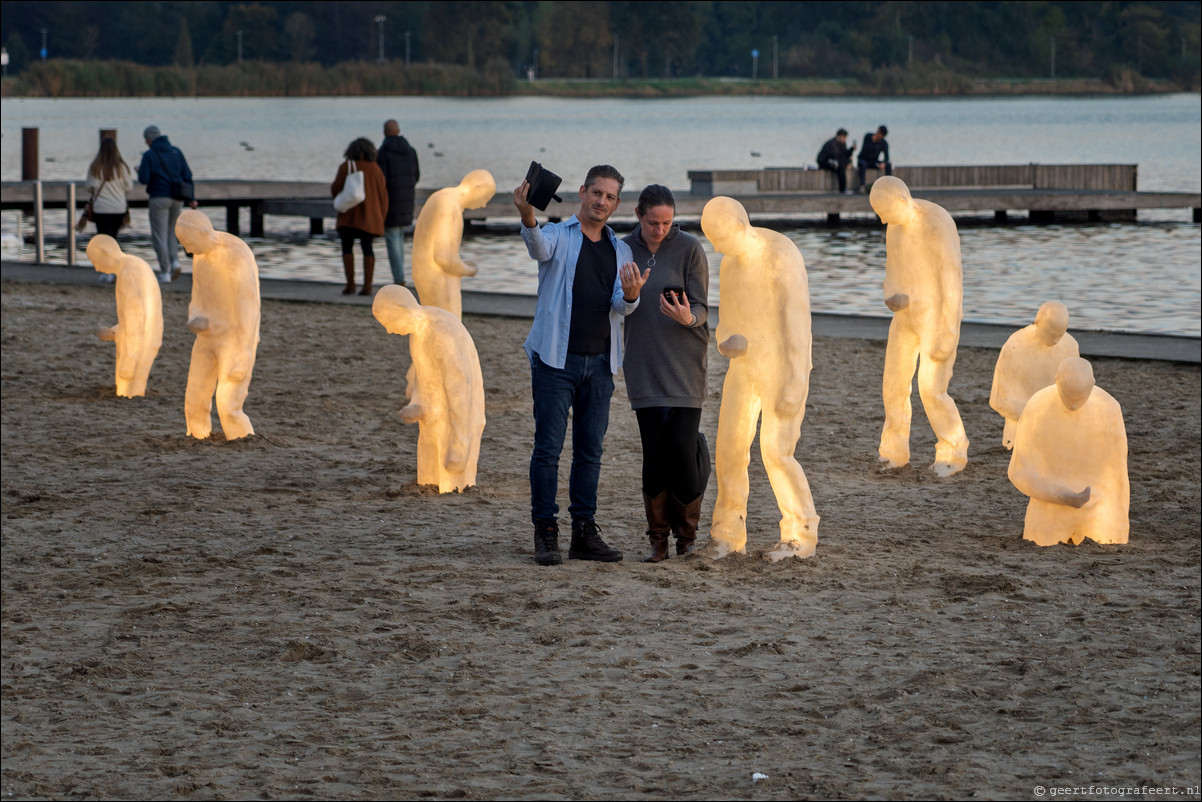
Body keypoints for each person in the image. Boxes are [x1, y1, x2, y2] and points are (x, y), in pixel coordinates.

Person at [513, 164, 649, 566]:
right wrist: (526, 215)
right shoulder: (559, 234)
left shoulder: (621, 249)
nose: (602, 201)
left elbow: (621, 307)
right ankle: (546, 532)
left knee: (591, 452)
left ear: (617, 203)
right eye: (596, 193)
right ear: (582, 192)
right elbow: (538, 247)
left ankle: (584, 533)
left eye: (609, 197)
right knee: (548, 449)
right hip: (555, 359)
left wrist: (631, 295)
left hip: (602, 364)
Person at [702, 196, 821, 562]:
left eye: (721, 238)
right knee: (730, 449)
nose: (719, 247)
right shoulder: (730, 265)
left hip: (783, 368)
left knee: (776, 451)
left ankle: (800, 533)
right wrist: (726, 341)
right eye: (713, 241)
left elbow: (796, 324)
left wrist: (794, 380)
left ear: (740, 225)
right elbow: (728, 321)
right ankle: (727, 533)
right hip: (745, 368)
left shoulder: (779, 254)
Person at [621, 184, 711, 562]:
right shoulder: (623, 248)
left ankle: (686, 538)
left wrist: (688, 316)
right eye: (653, 222)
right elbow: (617, 305)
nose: (659, 229)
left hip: (686, 363)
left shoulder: (690, 248)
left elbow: (704, 307)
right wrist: (629, 296)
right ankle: (658, 540)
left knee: (681, 450)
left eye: (667, 222)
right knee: (654, 453)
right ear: (639, 215)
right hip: (643, 362)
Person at [870, 176, 969, 477]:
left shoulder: (936, 222)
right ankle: (893, 450)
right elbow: (892, 272)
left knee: (931, 388)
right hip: (905, 317)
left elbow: (951, 280)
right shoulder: (894, 228)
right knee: (894, 384)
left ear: (901, 201)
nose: (882, 218)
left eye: (885, 211)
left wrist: (948, 329)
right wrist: (892, 295)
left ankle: (953, 448)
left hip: (935, 317)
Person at [373, 285, 486, 494]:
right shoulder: (417, 333)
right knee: (428, 474)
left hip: (458, 416)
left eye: (388, 322)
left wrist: (460, 439)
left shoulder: (441, 331)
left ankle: (455, 483)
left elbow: (459, 385)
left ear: (402, 310)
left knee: (453, 477)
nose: (389, 330)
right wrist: (416, 405)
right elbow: (424, 377)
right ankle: (431, 485)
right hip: (433, 415)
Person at [1008, 357, 1129, 546]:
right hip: (1051, 504)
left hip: (1097, 504)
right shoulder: (1038, 406)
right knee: (1043, 535)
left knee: (1107, 535)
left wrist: (1119, 524)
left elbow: (1118, 476)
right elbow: (1019, 471)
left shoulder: (1109, 408)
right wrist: (1061, 495)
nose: (1073, 405)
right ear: (1056, 380)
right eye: (1068, 395)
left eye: (1080, 396)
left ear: (1093, 385)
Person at [176, 210, 261, 441]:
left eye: (189, 243)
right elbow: (198, 296)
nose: (187, 250)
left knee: (228, 403)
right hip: (207, 336)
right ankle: (197, 436)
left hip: (234, 341)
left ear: (202, 234)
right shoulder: (200, 255)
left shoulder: (235, 256)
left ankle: (242, 441)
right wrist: (195, 316)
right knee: (194, 398)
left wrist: (243, 353)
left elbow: (249, 311)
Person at [989, 301, 1080, 450]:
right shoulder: (1015, 346)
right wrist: (1034, 413)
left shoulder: (1070, 345)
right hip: (1021, 423)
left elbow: (1076, 390)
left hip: (1056, 422)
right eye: (1051, 333)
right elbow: (998, 399)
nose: (1056, 340)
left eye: (1060, 334)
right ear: (1037, 322)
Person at [411, 169, 496, 319]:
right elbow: (444, 258)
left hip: (425, 274)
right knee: (451, 328)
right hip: (438, 280)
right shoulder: (450, 208)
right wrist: (469, 270)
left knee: (434, 324)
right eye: (486, 198)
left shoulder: (442, 196)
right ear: (478, 189)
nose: (483, 205)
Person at [87, 234, 163, 398]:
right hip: (142, 337)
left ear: (106, 254)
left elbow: (137, 319)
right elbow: (133, 317)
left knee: (129, 390)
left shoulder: (129, 274)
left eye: (96, 263)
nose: (97, 269)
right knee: (126, 388)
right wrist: (114, 332)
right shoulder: (133, 266)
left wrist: (129, 360)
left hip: (140, 342)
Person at [136, 125, 197, 283]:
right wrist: (192, 197)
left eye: (146, 140)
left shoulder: (149, 155)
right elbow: (187, 175)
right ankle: (175, 262)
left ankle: (164, 272)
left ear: (149, 140)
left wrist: (139, 170)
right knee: (171, 232)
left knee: (159, 235)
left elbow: (144, 179)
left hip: (158, 197)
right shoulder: (176, 152)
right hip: (177, 198)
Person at [330, 137, 389, 296]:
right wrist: (381, 216)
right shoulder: (376, 169)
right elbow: (383, 195)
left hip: (349, 217)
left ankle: (350, 284)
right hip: (370, 218)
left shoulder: (347, 167)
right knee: (367, 248)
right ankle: (368, 286)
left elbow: (335, 189)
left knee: (347, 247)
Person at [376, 119, 421, 286]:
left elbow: (382, 180)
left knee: (392, 238)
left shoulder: (383, 152)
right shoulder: (411, 151)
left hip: (390, 202)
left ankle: (399, 278)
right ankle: (401, 276)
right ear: (399, 130)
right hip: (407, 201)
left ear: (384, 132)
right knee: (399, 237)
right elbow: (416, 176)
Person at [85, 137, 133, 242]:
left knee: (104, 239)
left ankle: (106, 257)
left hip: (101, 208)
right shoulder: (122, 167)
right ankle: (114, 257)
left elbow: (89, 187)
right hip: (118, 208)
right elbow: (129, 187)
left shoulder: (95, 167)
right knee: (113, 238)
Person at [816, 128, 856, 194]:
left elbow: (844, 154)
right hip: (824, 161)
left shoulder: (843, 143)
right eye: (843, 137)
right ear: (839, 136)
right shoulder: (831, 143)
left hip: (834, 161)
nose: (844, 139)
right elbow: (836, 156)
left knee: (846, 162)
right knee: (840, 168)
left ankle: (843, 189)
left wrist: (851, 149)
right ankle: (842, 189)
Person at [857, 125, 892, 193]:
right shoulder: (867, 136)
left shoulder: (884, 143)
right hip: (864, 159)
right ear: (878, 132)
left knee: (889, 165)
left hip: (874, 161)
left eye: (882, 136)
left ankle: (888, 185)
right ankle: (862, 185)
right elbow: (864, 150)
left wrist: (883, 163)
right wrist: (874, 141)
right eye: (880, 134)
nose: (880, 137)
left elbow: (887, 157)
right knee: (862, 164)